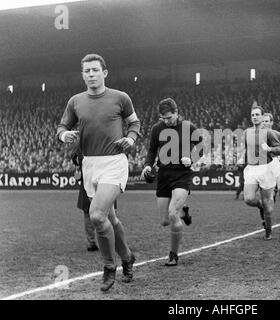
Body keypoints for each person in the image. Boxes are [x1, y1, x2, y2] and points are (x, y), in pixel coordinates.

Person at [56, 54, 140, 292]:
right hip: (89, 165)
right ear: (82, 75)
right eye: (87, 71)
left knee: (96, 215)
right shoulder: (75, 101)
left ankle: (109, 266)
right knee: (110, 218)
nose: (91, 74)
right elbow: (62, 126)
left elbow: (134, 123)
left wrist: (130, 139)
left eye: (95, 70)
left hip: (114, 163)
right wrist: (65, 135)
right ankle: (127, 258)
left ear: (104, 73)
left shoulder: (120, 98)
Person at [142, 98, 198, 266]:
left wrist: (192, 158)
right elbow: (152, 150)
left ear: (176, 112)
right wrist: (147, 166)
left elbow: (203, 145)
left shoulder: (189, 127)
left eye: (169, 117)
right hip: (164, 175)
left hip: (182, 175)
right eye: (163, 118)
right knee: (165, 220)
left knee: (172, 213)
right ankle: (184, 211)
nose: (166, 121)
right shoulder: (157, 129)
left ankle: (173, 254)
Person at [243, 106, 280, 240]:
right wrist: (241, 157)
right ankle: (260, 206)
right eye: (252, 115)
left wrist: (270, 148)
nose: (254, 117)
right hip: (251, 168)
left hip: (266, 168)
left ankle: (268, 229)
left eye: (257, 115)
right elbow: (246, 148)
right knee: (248, 199)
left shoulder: (269, 133)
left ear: (261, 117)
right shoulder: (246, 132)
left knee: (268, 204)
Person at [72, 147, 119, 252]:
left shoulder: (83, 144)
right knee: (108, 213)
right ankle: (109, 241)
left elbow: (75, 157)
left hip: (94, 182)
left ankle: (93, 242)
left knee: (94, 214)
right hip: (103, 182)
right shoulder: (104, 142)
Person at [262, 113, 280, 204]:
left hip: (274, 161)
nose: (264, 123)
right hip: (263, 163)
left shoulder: (278, 134)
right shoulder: (258, 134)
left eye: (266, 121)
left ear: (271, 123)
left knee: (277, 188)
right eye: (263, 121)